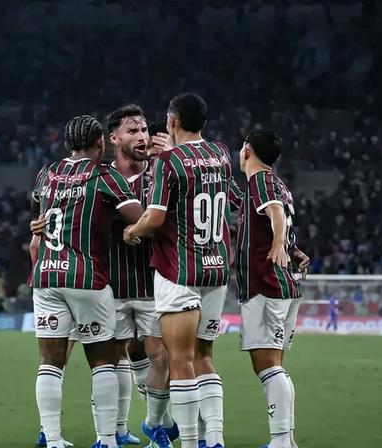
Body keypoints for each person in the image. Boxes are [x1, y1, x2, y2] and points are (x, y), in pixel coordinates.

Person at [125, 92, 231, 448]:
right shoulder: (221, 152)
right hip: (216, 270)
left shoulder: (168, 160)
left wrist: (132, 231)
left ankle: (187, 442)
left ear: (171, 122)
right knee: (204, 357)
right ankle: (214, 438)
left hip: (179, 270)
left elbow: (154, 218)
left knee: (180, 359)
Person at [31, 115, 144, 448]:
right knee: (103, 361)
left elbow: (37, 225)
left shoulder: (46, 174)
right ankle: (106, 440)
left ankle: (52, 439)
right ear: (100, 143)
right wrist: (127, 229)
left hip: (47, 276)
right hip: (86, 278)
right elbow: (140, 220)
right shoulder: (105, 175)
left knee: (49, 363)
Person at [105, 105, 177, 447]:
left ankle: (156, 424)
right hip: (112, 283)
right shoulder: (101, 176)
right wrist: (37, 225)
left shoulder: (163, 172)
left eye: (145, 129)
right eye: (132, 131)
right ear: (114, 138)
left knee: (161, 354)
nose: (142, 136)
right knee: (126, 356)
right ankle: (116, 430)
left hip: (156, 281)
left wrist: (172, 158)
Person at [235, 130, 309, 448]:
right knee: (274, 365)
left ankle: (280, 442)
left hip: (266, 284)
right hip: (284, 283)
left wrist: (279, 245)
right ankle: (285, 439)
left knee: (265, 365)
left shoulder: (261, 182)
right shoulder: (278, 185)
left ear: (248, 151)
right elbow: (276, 216)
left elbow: (275, 214)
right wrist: (292, 249)